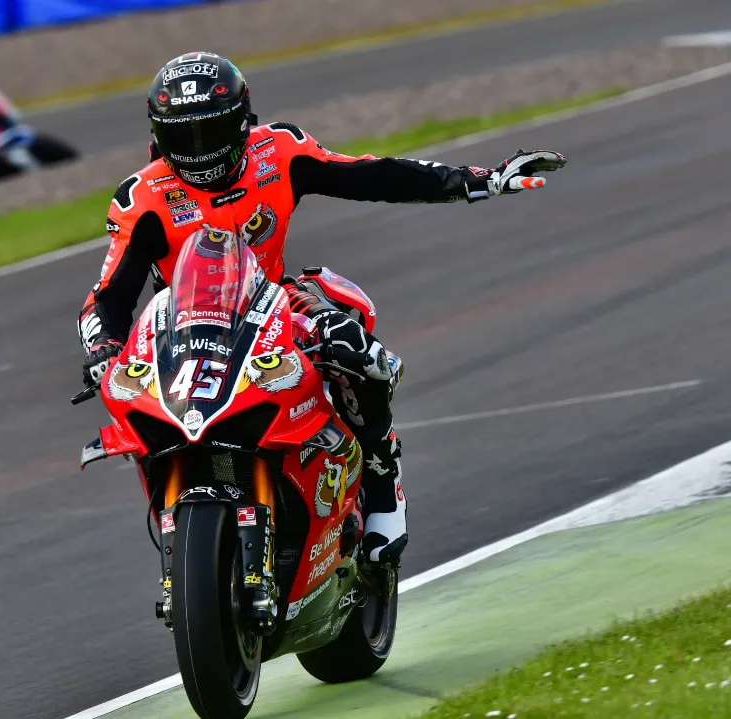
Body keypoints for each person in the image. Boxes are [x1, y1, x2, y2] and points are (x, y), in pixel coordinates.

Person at [77, 51, 566, 573]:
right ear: (157, 137)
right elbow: (108, 296)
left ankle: (384, 487)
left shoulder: (279, 152)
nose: (198, 150)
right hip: (185, 323)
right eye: (182, 137)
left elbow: (373, 176)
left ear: (244, 122)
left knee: (363, 353)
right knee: (127, 397)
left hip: (273, 301)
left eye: (212, 132)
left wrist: (479, 180)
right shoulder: (142, 197)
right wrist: (103, 348)